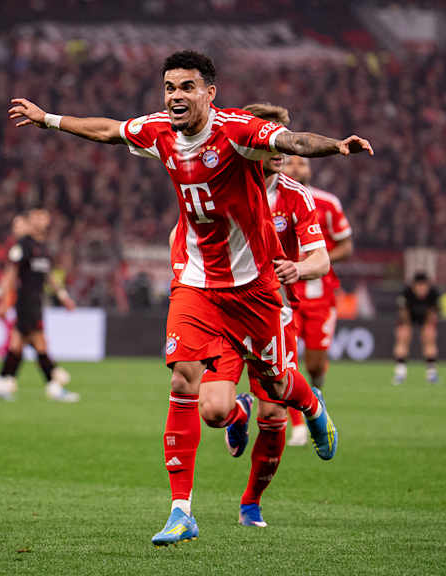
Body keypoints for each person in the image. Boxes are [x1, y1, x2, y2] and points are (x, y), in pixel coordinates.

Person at [8, 50, 371, 546]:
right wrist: (48, 119)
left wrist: (336, 147)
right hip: (196, 285)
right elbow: (109, 130)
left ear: (209, 93)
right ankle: (181, 511)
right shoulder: (159, 131)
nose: (176, 96)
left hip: (253, 288)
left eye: (186, 87)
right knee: (185, 382)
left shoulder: (239, 132)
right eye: (170, 88)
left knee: (276, 386)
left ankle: (311, 403)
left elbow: (292, 140)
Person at [174, 102, 330, 528]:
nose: (278, 150)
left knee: (275, 411)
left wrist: (298, 268)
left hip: (271, 312)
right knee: (212, 413)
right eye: (269, 138)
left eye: (282, 140)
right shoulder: (223, 178)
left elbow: (322, 259)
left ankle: (251, 503)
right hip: (221, 309)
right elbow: (184, 229)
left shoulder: (296, 197)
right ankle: (238, 412)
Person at [283, 155, 353, 446]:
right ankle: (297, 424)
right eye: (291, 163)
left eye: (303, 164)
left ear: (310, 170)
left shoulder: (327, 203)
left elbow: (346, 246)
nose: (297, 168)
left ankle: (316, 401)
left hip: (321, 294)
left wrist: (316, 260)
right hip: (285, 292)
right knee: (286, 359)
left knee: (314, 364)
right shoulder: (268, 198)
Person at [0, 210, 80, 403]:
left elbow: (49, 276)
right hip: (26, 302)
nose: (41, 220)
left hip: (37, 301)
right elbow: (11, 274)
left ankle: (1, 381)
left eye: (44, 217)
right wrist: (3, 300)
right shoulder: (23, 245)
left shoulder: (43, 248)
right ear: (30, 222)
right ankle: (54, 380)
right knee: (39, 342)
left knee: (17, 344)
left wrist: (63, 297)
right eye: (36, 217)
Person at [393, 272, 440, 385]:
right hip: (408, 317)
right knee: (403, 335)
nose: (422, 289)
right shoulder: (406, 293)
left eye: (424, 286)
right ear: (414, 286)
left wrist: (427, 327)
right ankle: (400, 373)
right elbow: (403, 314)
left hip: (425, 317)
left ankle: (431, 373)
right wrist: (407, 326)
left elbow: (432, 315)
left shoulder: (433, 293)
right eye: (419, 286)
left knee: (429, 335)